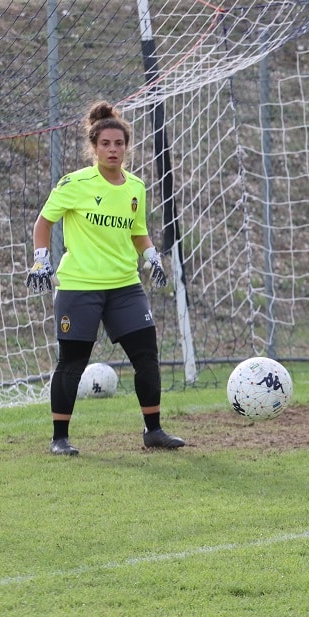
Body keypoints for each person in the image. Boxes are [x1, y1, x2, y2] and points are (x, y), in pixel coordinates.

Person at [27, 100, 184, 455]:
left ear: (127, 146)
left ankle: (153, 431)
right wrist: (40, 260)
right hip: (80, 287)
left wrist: (150, 255)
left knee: (146, 356)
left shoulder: (136, 188)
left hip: (125, 287)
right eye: (106, 144)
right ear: (94, 147)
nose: (113, 149)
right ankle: (60, 438)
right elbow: (43, 222)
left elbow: (137, 231)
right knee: (72, 363)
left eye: (119, 143)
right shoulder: (75, 183)